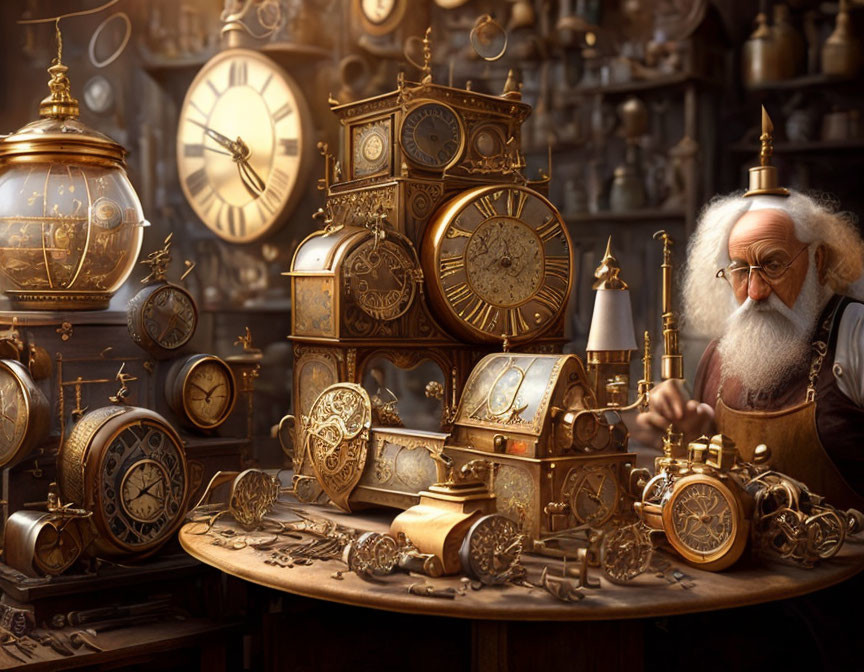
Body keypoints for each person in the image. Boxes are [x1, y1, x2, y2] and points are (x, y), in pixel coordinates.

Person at [636, 185, 864, 509]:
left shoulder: (856, 334)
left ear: (819, 261)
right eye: (740, 270)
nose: (755, 292)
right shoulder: (718, 357)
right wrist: (690, 439)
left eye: (773, 265)